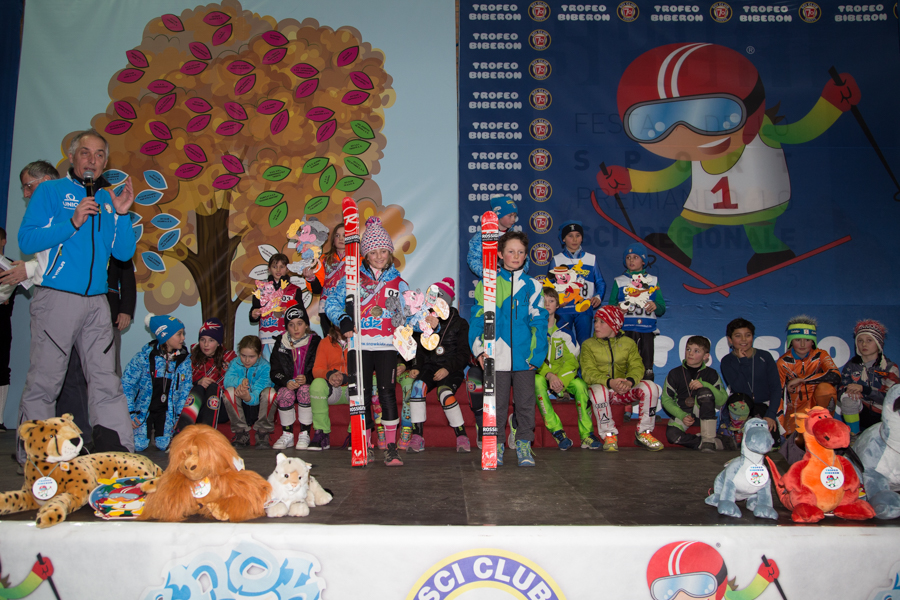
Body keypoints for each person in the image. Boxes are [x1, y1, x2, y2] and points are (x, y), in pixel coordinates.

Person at [17, 129, 136, 457]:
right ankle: (37, 456)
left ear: (105, 162)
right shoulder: (50, 191)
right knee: (45, 381)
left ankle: (117, 453)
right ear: (72, 157)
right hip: (57, 298)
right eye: (85, 153)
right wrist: (72, 222)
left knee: (106, 380)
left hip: (98, 303)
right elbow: (26, 240)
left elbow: (124, 253)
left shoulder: (108, 200)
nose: (92, 160)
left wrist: (122, 215)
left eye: (99, 155)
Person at [325, 216, 412, 466]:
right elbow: (331, 301)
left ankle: (391, 448)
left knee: (387, 393)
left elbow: (407, 314)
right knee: (360, 395)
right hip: (359, 345)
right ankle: (363, 446)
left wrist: (424, 321)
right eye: (373, 252)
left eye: (383, 251)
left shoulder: (398, 281)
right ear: (365, 254)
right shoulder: (352, 278)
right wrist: (343, 319)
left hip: (386, 346)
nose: (379, 256)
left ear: (390, 252)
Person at [470, 230, 548, 467]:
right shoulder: (488, 284)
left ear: (526, 256)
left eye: (521, 252)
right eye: (511, 251)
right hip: (495, 357)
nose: (516, 256)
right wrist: (479, 350)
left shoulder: (533, 286)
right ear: (500, 254)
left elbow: (539, 323)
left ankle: (524, 443)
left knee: (525, 404)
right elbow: (478, 319)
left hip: (524, 358)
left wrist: (537, 355)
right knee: (497, 406)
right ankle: (497, 445)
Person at [465, 195, 528, 446]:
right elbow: (473, 260)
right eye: (510, 214)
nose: (513, 218)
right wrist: (491, 274)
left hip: (513, 290)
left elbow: (523, 265)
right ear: (499, 214)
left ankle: (517, 428)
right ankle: (493, 431)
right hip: (492, 289)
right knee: (493, 330)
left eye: (515, 215)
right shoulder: (480, 237)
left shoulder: (514, 238)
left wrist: (516, 277)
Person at [581, 305, 663, 452]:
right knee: (599, 390)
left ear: (614, 324)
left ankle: (644, 432)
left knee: (651, 387)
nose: (596, 325)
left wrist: (629, 381)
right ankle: (609, 435)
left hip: (623, 390)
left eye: (602, 322)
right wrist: (609, 382)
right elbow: (588, 372)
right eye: (596, 321)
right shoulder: (588, 345)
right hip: (602, 390)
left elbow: (637, 366)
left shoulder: (628, 343)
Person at [405, 278, 472, 453]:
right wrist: (416, 366)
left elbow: (464, 354)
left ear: (447, 301)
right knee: (417, 387)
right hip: (430, 366)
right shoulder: (424, 320)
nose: (435, 303)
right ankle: (417, 437)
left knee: (445, 393)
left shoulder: (460, 323)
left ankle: (462, 436)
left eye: (439, 298)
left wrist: (447, 369)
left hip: (451, 368)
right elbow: (419, 349)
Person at [776, 315, 841, 464]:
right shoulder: (783, 362)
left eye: (807, 339)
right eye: (798, 339)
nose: (802, 344)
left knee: (827, 389)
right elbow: (778, 393)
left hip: (817, 409)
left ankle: (825, 427)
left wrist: (803, 380)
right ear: (790, 341)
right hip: (796, 412)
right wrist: (780, 427)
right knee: (797, 446)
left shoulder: (821, 355)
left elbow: (836, 376)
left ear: (813, 341)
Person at [533, 287, 592, 450]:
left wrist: (560, 380)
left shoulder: (565, 331)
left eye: (551, 301)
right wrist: (549, 375)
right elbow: (532, 358)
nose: (547, 304)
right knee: (537, 381)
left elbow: (572, 360)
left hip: (562, 376)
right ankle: (557, 431)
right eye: (543, 301)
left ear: (558, 305)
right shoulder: (533, 330)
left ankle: (587, 435)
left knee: (580, 385)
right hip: (542, 375)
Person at [122, 315, 191, 452]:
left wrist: (179, 416)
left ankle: (158, 433)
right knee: (139, 445)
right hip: (143, 411)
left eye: (183, 333)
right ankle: (145, 431)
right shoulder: (143, 358)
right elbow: (127, 384)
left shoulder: (183, 361)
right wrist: (130, 412)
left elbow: (185, 390)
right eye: (179, 334)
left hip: (166, 413)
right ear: (165, 336)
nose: (183, 338)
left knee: (163, 444)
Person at [719, 318, 781, 447]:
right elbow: (739, 387)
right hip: (740, 407)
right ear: (730, 340)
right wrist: (744, 362)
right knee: (744, 444)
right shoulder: (727, 361)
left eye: (747, 335)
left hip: (764, 407)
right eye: (738, 336)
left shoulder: (765, 356)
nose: (743, 340)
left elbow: (776, 388)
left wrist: (770, 415)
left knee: (769, 445)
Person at [608, 242, 665, 381]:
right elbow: (610, 309)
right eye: (628, 257)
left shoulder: (652, 281)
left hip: (646, 330)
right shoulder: (619, 281)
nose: (631, 260)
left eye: (635, 257)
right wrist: (618, 309)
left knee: (647, 369)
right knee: (624, 366)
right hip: (625, 330)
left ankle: (647, 390)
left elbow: (661, 309)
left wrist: (655, 305)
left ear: (643, 260)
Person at [661, 335, 727, 451]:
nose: (690, 353)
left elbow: (722, 400)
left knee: (704, 392)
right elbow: (666, 400)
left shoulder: (711, 374)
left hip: (703, 414)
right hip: (683, 413)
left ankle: (708, 439)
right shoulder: (675, 373)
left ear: (705, 356)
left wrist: (705, 385)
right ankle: (713, 443)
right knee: (672, 436)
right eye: (688, 349)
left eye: (696, 351)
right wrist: (682, 415)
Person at [270, 305, 321, 450]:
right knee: (284, 393)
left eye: (300, 323)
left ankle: (305, 433)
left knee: (305, 390)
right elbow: (274, 371)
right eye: (291, 325)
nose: (296, 328)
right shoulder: (280, 342)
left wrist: (307, 378)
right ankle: (288, 434)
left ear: (306, 325)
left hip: (307, 385)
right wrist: (286, 381)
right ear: (287, 327)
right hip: (287, 386)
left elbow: (319, 367)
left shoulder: (315, 342)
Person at [548, 221, 605, 345]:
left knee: (584, 344)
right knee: (563, 343)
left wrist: (598, 296)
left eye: (578, 235)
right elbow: (549, 286)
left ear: (582, 238)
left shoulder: (591, 258)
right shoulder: (556, 260)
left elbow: (600, 282)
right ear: (563, 239)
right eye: (570, 236)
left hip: (584, 308)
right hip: (563, 310)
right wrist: (554, 303)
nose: (574, 239)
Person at [839, 320, 899, 435]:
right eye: (860, 341)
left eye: (869, 340)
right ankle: (854, 436)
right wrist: (848, 390)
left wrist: (865, 389)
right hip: (861, 412)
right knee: (848, 398)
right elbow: (840, 388)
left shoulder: (890, 367)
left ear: (878, 343)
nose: (864, 344)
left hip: (884, 415)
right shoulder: (852, 365)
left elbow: (892, 399)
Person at [176, 318, 237, 431]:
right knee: (198, 388)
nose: (206, 344)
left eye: (211, 340)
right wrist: (197, 382)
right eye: (202, 340)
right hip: (198, 407)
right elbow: (182, 385)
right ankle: (181, 432)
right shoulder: (192, 358)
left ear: (218, 342)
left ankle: (207, 431)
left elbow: (235, 384)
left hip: (221, 408)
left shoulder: (229, 358)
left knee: (213, 387)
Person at [249, 253, 311, 360]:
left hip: (287, 337)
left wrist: (289, 312)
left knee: (286, 365)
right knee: (268, 366)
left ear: (287, 269)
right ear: (269, 269)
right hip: (266, 337)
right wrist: (254, 314)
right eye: (274, 267)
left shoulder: (294, 289)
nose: (278, 270)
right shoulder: (261, 289)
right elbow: (254, 311)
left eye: (282, 267)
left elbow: (301, 314)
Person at [223, 335, 275, 447]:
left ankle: (263, 432)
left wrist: (248, 397)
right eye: (243, 356)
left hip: (258, 407)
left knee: (270, 393)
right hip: (242, 408)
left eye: (251, 357)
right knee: (229, 391)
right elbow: (227, 381)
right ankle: (240, 432)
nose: (246, 360)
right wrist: (240, 382)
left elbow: (260, 389)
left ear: (259, 355)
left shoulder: (265, 367)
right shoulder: (235, 363)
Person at [308, 324, 353, 451]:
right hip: (333, 390)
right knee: (317, 384)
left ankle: (355, 432)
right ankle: (321, 432)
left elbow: (367, 369)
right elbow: (317, 370)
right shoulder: (324, 342)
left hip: (352, 388)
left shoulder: (360, 340)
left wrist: (346, 378)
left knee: (366, 383)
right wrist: (330, 375)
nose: (342, 322)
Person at [107, 257, 136, 376]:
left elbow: (127, 278)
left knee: (111, 360)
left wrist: (126, 310)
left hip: (109, 311)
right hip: (76, 309)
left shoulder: (116, 248)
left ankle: (113, 388)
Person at [318, 223, 345, 336]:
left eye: (344, 235)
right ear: (333, 239)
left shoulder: (359, 259)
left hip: (347, 305)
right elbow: (317, 286)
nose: (341, 239)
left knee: (349, 340)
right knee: (330, 340)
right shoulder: (324, 259)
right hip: (326, 305)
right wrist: (310, 277)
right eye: (337, 235)